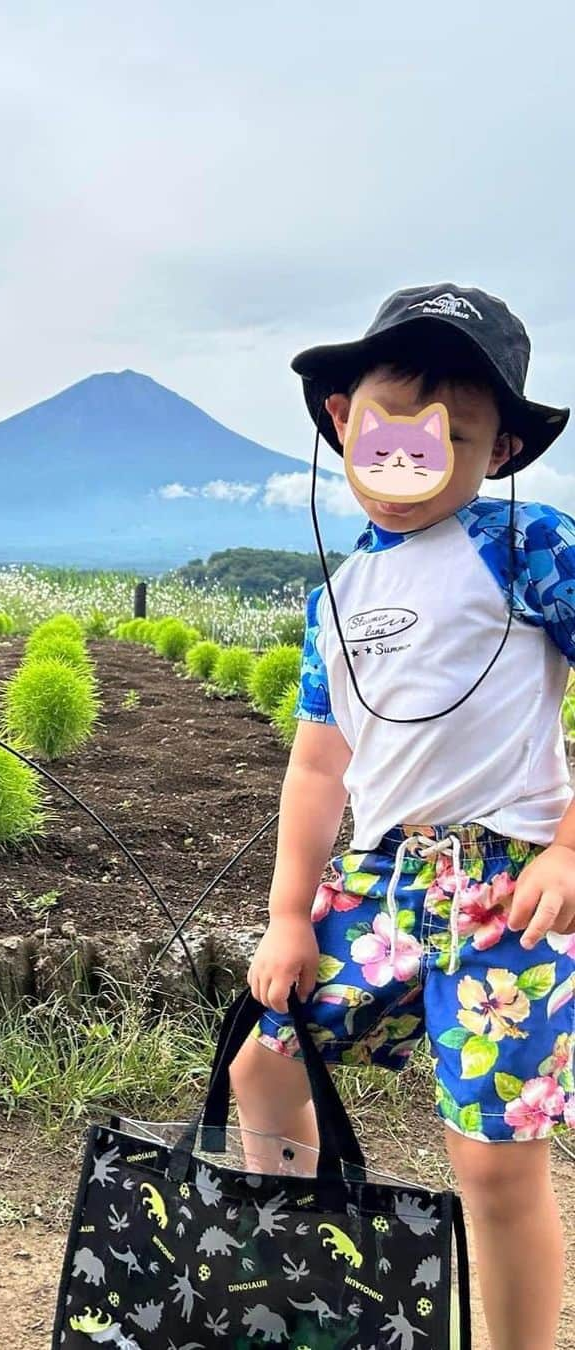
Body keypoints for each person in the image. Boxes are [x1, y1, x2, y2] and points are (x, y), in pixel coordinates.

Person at [228, 282, 575, 1350]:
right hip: (376, 882)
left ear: (501, 449)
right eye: (384, 435)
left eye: (453, 439)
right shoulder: (334, 597)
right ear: (342, 420)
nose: (409, 465)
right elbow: (319, 766)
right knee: (263, 1062)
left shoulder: (529, 548)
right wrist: (291, 914)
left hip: (504, 892)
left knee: (492, 1155)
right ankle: (303, 1296)